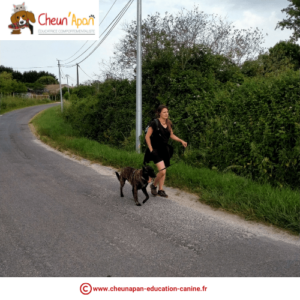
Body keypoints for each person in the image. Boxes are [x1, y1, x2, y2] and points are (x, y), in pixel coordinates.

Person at [144, 105, 187, 198]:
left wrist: (181, 141)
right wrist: (151, 149)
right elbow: (147, 136)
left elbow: (171, 135)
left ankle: (160, 189)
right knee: (162, 171)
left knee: (164, 170)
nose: (166, 114)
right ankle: (153, 185)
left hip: (164, 149)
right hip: (155, 149)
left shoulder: (168, 123)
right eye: (164, 112)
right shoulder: (154, 123)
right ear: (159, 113)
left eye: (167, 112)